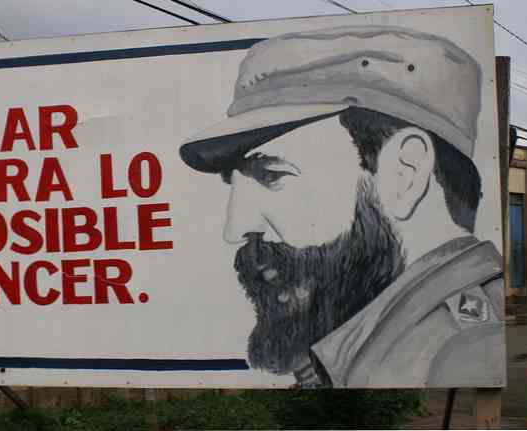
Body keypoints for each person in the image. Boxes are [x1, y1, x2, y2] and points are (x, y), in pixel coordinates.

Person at [179, 26, 504, 387]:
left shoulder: (461, 353)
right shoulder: (368, 348)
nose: (235, 229)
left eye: (273, 175)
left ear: (405, 173)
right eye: (235, 185)